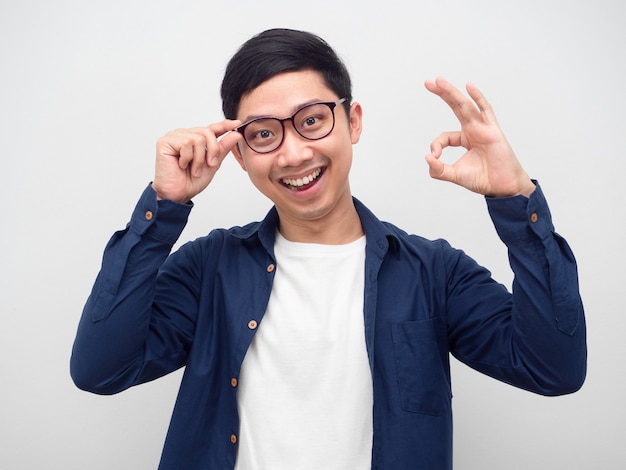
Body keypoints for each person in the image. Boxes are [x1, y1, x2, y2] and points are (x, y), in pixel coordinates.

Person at [70, 28, 587, 469]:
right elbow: (101, 370)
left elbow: (553, 369)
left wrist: (516, 200)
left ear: (353, 121)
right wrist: (162, 208)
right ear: (241, 155)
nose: (294, 153)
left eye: (312, 120)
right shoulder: (210, 268)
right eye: (264, 134)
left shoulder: (435, 273)